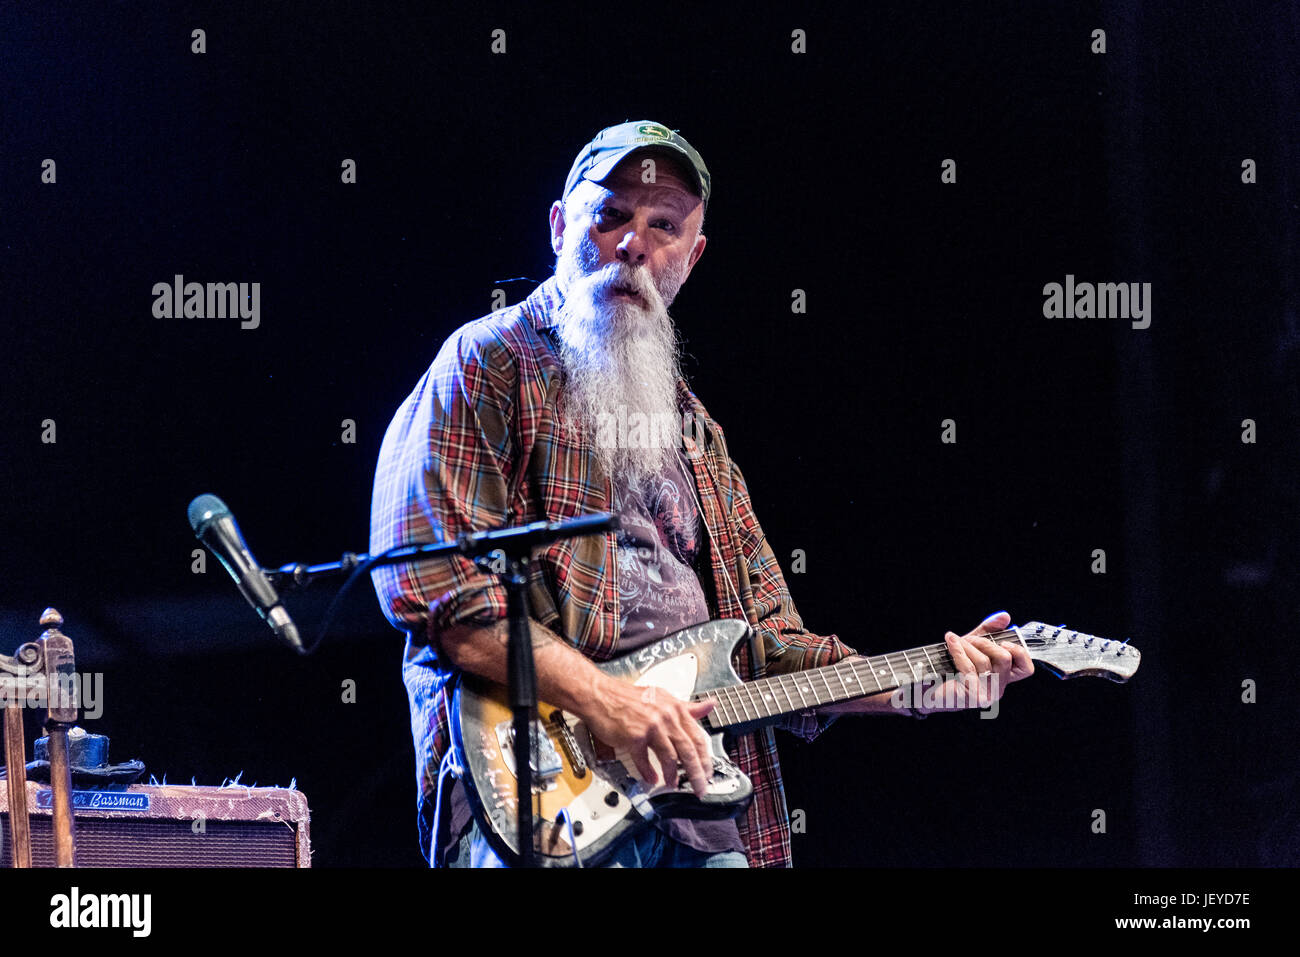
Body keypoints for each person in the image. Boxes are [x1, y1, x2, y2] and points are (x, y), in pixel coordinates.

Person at [368, 120, 1035, 868]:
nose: (634, 246)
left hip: (706, 816)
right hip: (544, 800)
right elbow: (433, 590)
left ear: (693, 256)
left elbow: (768, 649)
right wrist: (610, 702)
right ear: (560, 224)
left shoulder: (697, 435)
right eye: (611, 214)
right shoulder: (487, 363)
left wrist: (919, 683)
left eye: (664, 227)